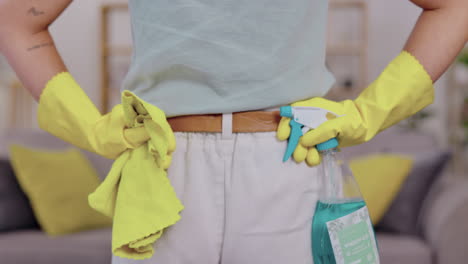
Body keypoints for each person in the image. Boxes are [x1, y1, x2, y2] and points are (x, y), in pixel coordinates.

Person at [0, 0, 467, 263]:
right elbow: (18, 17)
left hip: (286, 161)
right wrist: (88, 128)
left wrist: (370, 113)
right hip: (162, 172)